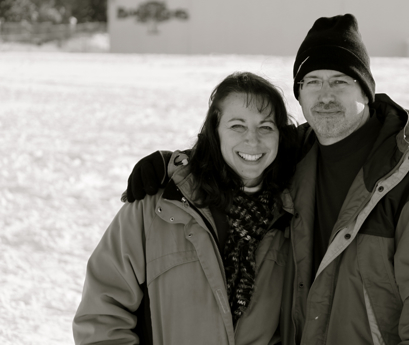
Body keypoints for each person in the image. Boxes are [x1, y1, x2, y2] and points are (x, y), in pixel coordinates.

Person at [124, 14, 409, 344]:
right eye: (312, 81)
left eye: (340, 81)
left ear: (366, 91)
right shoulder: (294, 157)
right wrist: (175, 164)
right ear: (299, 93)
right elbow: (239, 150)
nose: (325, 95)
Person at [73, 72, 297, 345]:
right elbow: (101, 315)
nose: (253, 139)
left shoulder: (291, 218)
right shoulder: (157, 206)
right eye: (237, 126)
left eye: (266, 127)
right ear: (214, 132)